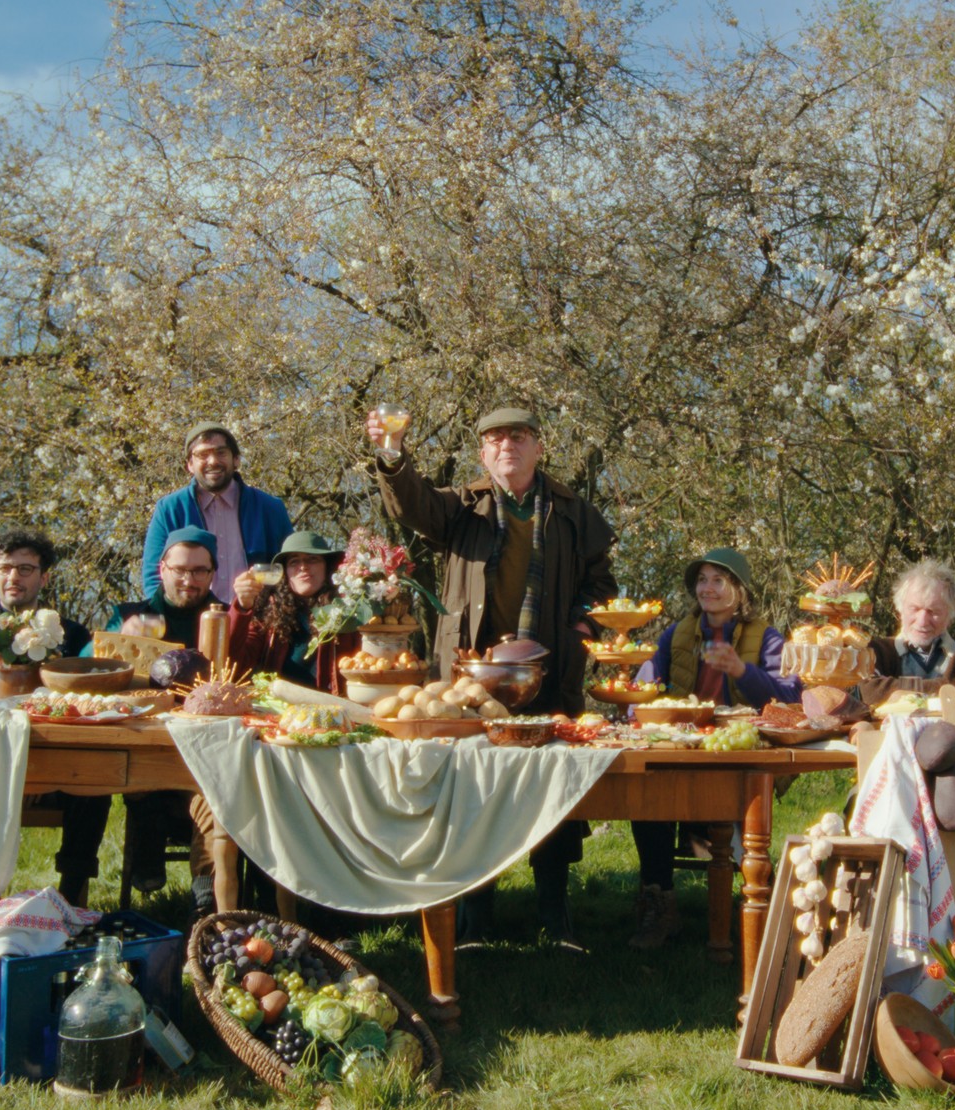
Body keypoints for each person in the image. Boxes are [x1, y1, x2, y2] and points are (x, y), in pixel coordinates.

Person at [367, 402, 618, 946]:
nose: (508, 445)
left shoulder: (574, 512)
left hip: (549, 675)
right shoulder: (462, 508)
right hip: (469, 681)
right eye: (496, 438)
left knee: (554, 788)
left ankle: (556, 913)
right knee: (469, 790)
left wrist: (581, 631)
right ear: (483, 452)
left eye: (520, 436)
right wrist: (392, 455)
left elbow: (602, 581)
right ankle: (476, 914)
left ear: (538, 447)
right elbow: (411, 504)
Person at [627, 549, 801, 948]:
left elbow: (791, 695)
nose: (707, 588)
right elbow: (644, 687)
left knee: (737, 799)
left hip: (735, 752)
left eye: (718, 580)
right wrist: (639, 708)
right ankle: (660, 903)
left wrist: (743, 671)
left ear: (739, 591)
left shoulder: (766, 636)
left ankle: (761, 904)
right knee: (646, 796)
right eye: (702, 580)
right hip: (681, 746)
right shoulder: (678, 633)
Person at [0, 527, 101, 906]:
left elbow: (89, 697)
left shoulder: (70, 634)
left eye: (24, 568)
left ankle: (70, 896)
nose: (13, 577)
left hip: (59, 761)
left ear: (44, 577)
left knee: (96, 782)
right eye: (4, 568)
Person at [108, 527, 221, 906]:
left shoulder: (227, 619)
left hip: (208, 747)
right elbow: (89, 661)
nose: (189, 580)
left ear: (213, 574)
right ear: (162, 568)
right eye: (180, 570)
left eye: (199, 571)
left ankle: (206, 900)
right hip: (146, 745)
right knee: (141, 778)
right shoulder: (130, 615)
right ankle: (146, 851)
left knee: (215, 788)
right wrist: (119, 639)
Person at [139, 423, 294, 603]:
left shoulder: (270, 508)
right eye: (202, 455)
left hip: (255, 622)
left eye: (221, 453)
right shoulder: (170, 509)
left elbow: (289, 568)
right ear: (190, 464)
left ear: (236, 459)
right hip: (193, 622)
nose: (212, 461)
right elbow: (153, 576)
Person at [225, 530, 357, 692]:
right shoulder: (269, 612)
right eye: (294, 562)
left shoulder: (349, 612)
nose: (303, 567)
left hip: (334, 709)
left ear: (327, 567)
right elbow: (234, 664)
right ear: (284, 573)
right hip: (277, 710)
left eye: (312, 559)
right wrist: (242, 607)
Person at [860, 558, 955, 701]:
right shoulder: (876, 650)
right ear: (900, 609)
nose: (922, 621)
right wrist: (946, 686)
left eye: (933, 612)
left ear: (950, 615)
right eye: (914, 609)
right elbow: (870, 692)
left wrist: (895, 687)